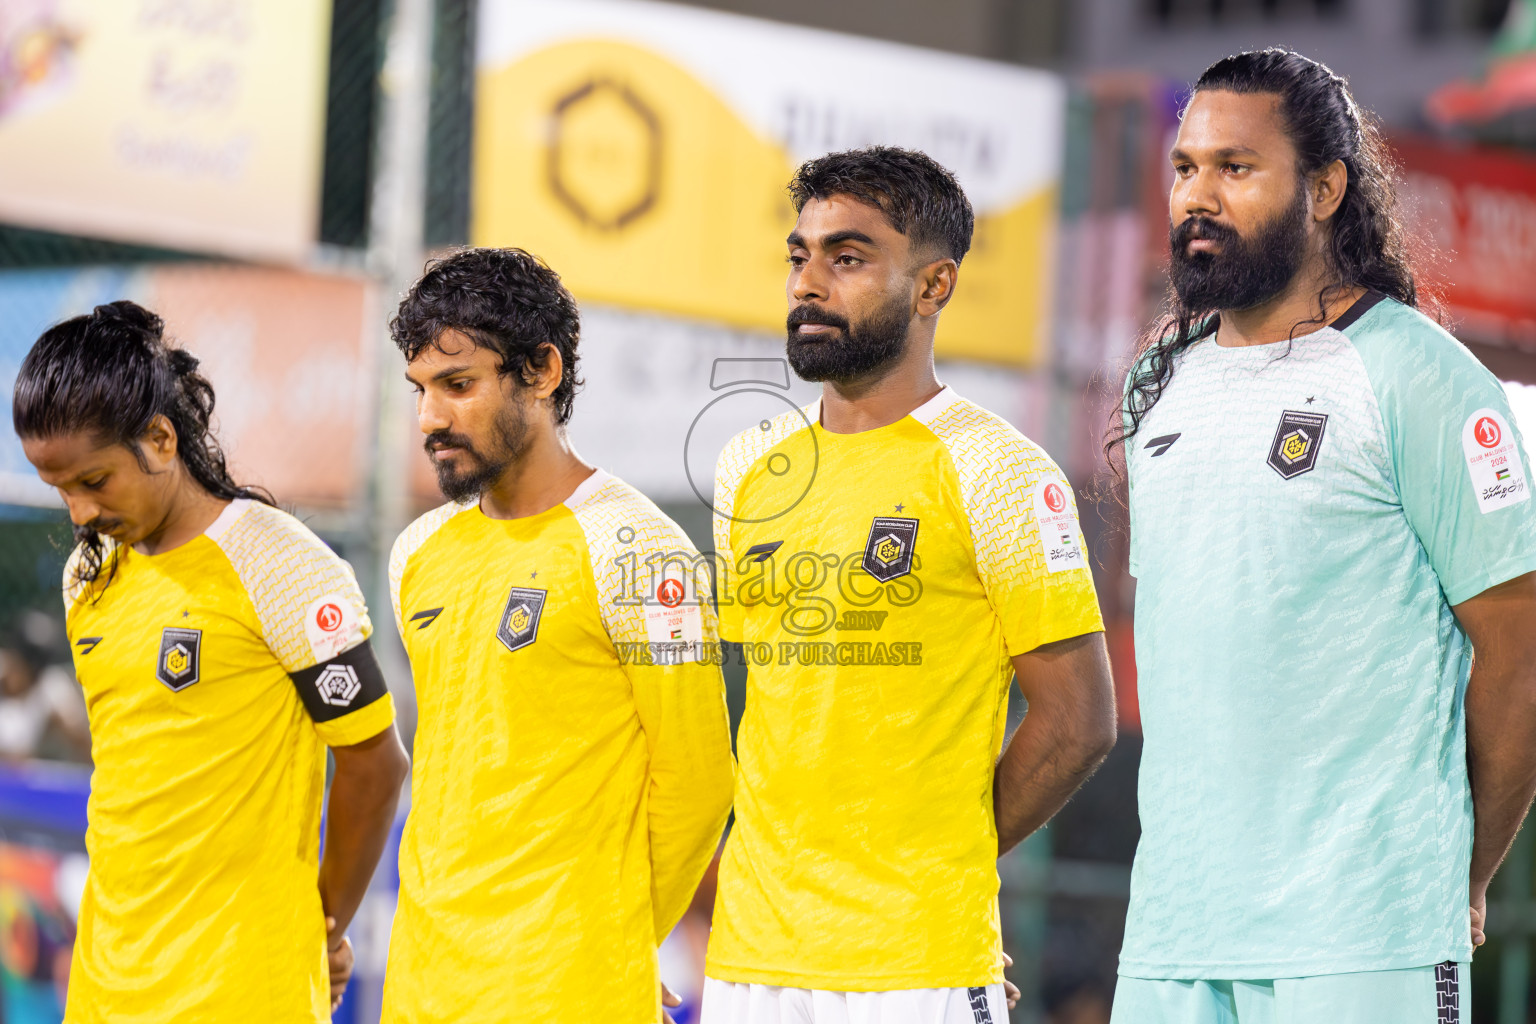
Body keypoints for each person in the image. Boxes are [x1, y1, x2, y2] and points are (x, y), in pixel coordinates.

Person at [1110, 49, 1536, 1024]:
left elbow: (1519, 656)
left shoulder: (1420, 378)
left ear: (1326, 188)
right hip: (1173, 938)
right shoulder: (1158, 388)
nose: (1198, 195)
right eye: (1185, 168)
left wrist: (1456, 874)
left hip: (1365, 934)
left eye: (1236, 167)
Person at [702, 147, 1117, 1024]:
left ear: (934, 287)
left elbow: (1080, 722)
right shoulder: (746, 469)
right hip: (748, 960)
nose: (808, 283)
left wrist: (950, 869)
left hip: (915, 962)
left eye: (846, 258)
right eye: (799, 255)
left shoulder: (999, 472)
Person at [13, 301, 410, 1023]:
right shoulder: (87, 579)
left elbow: (374, 763)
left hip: (242, 991)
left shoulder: (278, 565)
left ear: (160, 439)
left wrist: (323, 927)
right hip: (104, 985)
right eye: (59, 489)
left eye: (94, 482)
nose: (76, 512)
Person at [380, 247, 735, 1023]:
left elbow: (700, 782)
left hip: (563, 990)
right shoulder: (418, 555)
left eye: (458, 385)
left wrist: (621, 938)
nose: (431, 419)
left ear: (541, 372)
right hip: (421, 985)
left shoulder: (638, 551)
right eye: (420, 390)